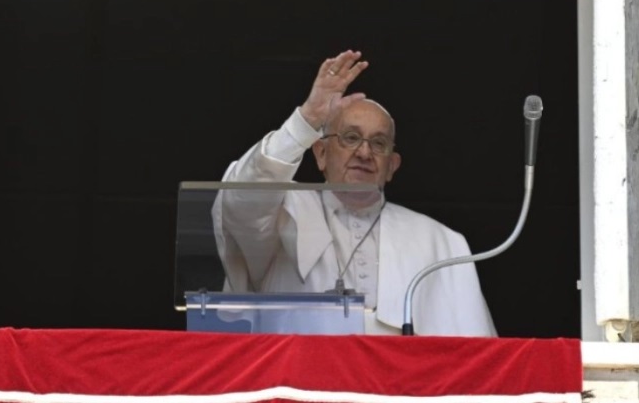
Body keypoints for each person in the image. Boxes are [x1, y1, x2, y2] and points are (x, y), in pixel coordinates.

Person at [212, 50, 496, 336]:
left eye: (379, 143)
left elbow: (477, 348)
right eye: (350, 138)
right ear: (321, 154)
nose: (364, 153)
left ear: (392, 166)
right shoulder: (283, 210)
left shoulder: (442, 242)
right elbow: (239, 201)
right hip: (300, 365)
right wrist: (306, 121)